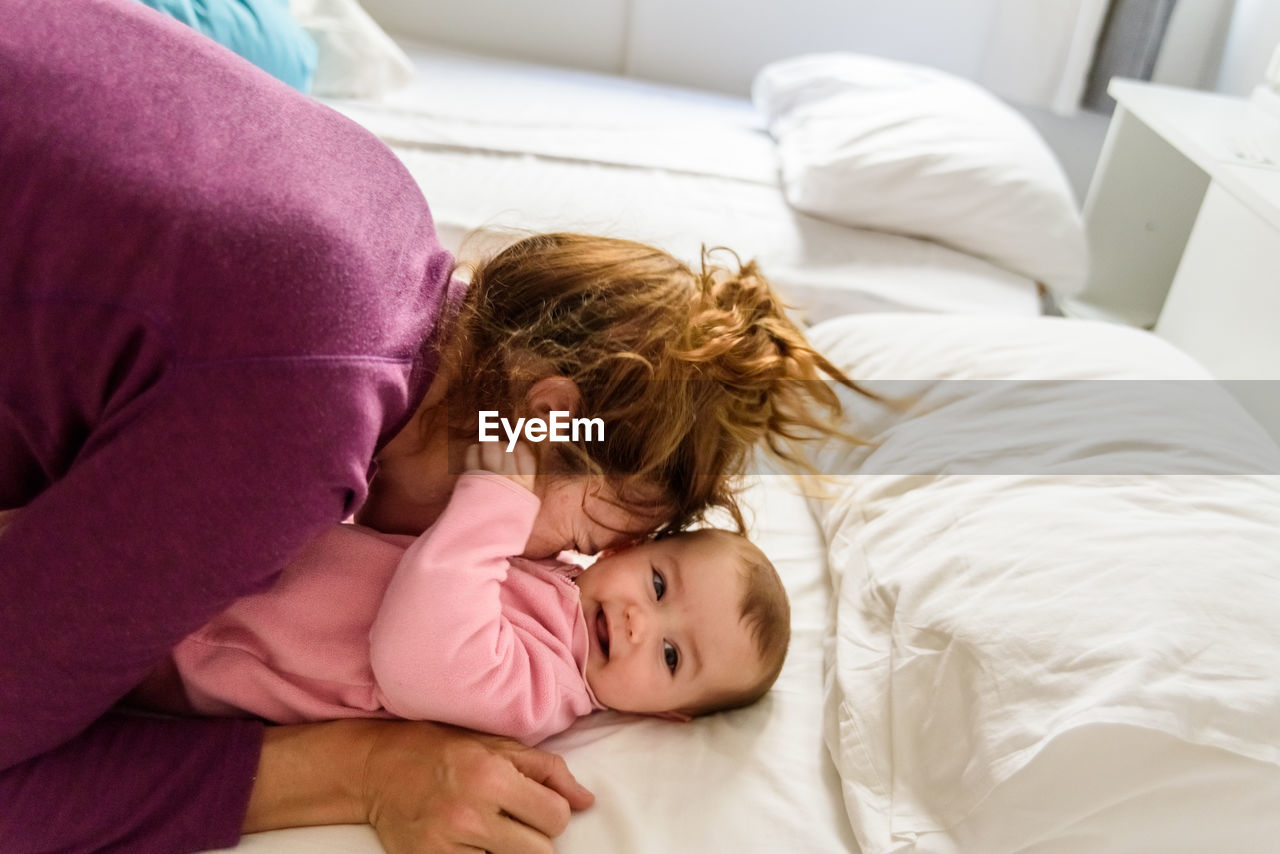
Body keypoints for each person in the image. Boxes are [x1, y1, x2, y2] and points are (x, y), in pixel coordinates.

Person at [1, 1, 855, 852]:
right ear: (534, 418)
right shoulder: (301, 419)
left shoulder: (384, 204)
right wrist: (358, 768)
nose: (540, 564)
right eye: (578, 532)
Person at [131, 441, 790, 744]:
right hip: (228, 552)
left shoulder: (540, 695)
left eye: (672, 658)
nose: (641, 624)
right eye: (656, 584)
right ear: (625, 548)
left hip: (186, 644)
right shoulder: (562, 571)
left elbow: (420, 657)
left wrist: (494, 502)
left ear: (666, 713)